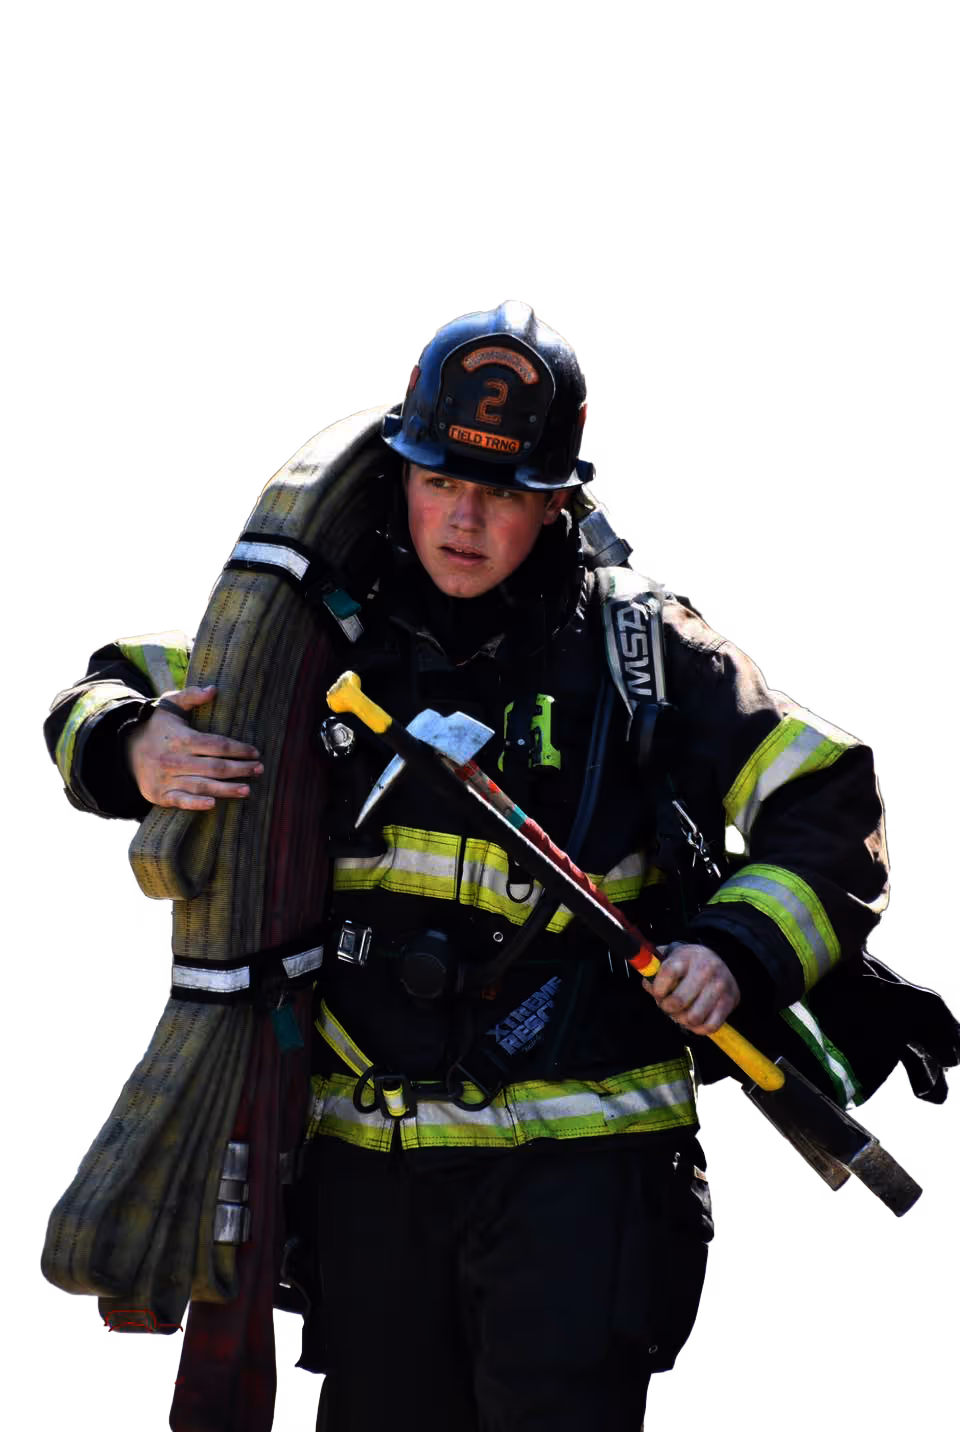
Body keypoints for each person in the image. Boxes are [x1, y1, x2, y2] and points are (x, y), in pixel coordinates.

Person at [45, 302, 892, 1432]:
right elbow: (102, 692)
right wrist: (133, 740)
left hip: (586, 1177)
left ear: (556, 501)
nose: (465, 518)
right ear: (399, 473)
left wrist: (733, 951)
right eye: (442, 480)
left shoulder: (645, 655)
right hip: (370, 1180)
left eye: (502, 494)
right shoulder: (305, 636)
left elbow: (825, 798)